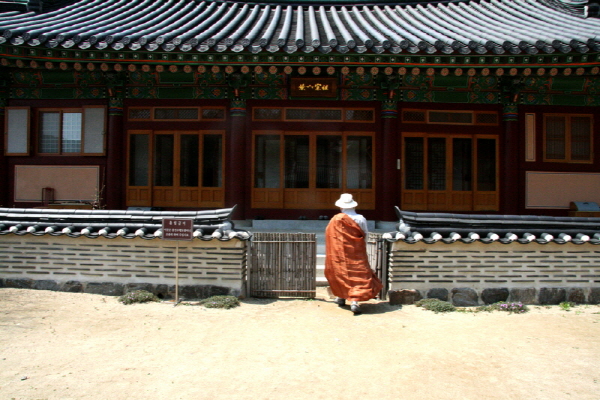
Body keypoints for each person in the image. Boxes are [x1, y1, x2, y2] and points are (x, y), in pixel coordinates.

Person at [324, 193, 383, 314]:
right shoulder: (360, 218)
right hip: (357, 252)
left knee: (340, 273)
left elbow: (330, 235)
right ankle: (354, 301)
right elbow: (365, 234)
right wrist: (361, 246)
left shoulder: (336, 219)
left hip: (339, 253)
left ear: (341, 206)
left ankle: (341, 297)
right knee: (359, 274)